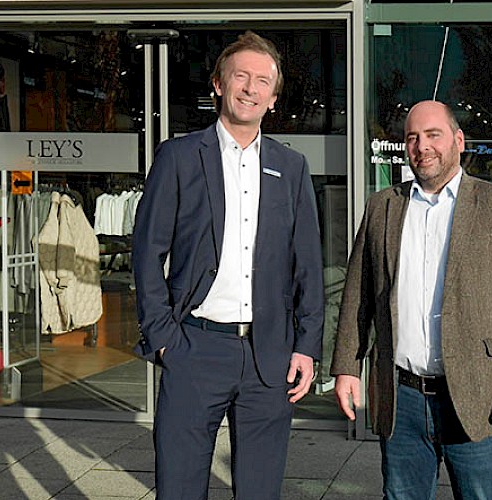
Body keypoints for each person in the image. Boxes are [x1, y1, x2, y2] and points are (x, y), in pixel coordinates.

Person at [132, 31, 324, 500]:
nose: (250, 88)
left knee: (260, 491)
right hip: (194, 347)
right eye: (241, 76)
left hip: (268, 356)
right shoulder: (178, 156)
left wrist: (306, 346)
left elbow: (309, 266)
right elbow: (146, 251)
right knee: (178, 488)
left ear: (273, 99)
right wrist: (164, 341)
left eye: (262, 81)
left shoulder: (291, 166)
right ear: (219, 83)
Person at [331, 100, 492, 500]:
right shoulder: (383, 207)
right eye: (412, 137)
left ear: (458, 141)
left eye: (433, 135)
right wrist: (345, 367)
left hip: (476, 394)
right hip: (402, 398)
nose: (421, 146)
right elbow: (358, 292)